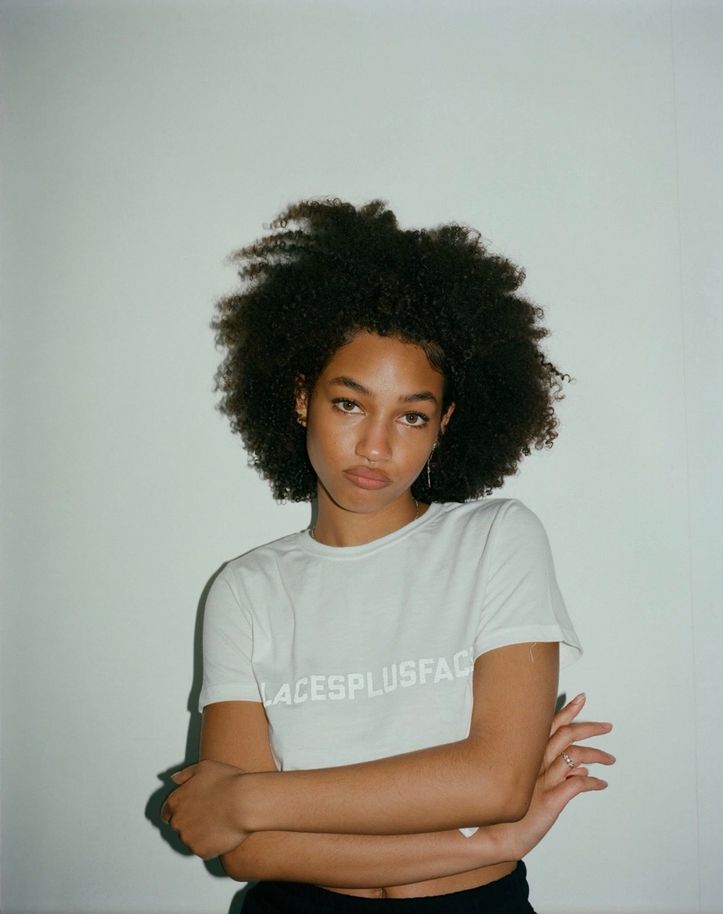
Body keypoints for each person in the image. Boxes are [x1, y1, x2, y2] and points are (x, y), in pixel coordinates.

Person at [161, 198, 615, 913]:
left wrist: (252, 794)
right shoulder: (245, 589)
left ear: (445, 425)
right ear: (302, 397)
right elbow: (244, 848)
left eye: (411, 415)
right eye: (349, 404)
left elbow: (492, 783)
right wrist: (485, 843)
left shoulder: (495, 537)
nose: (377, 447)